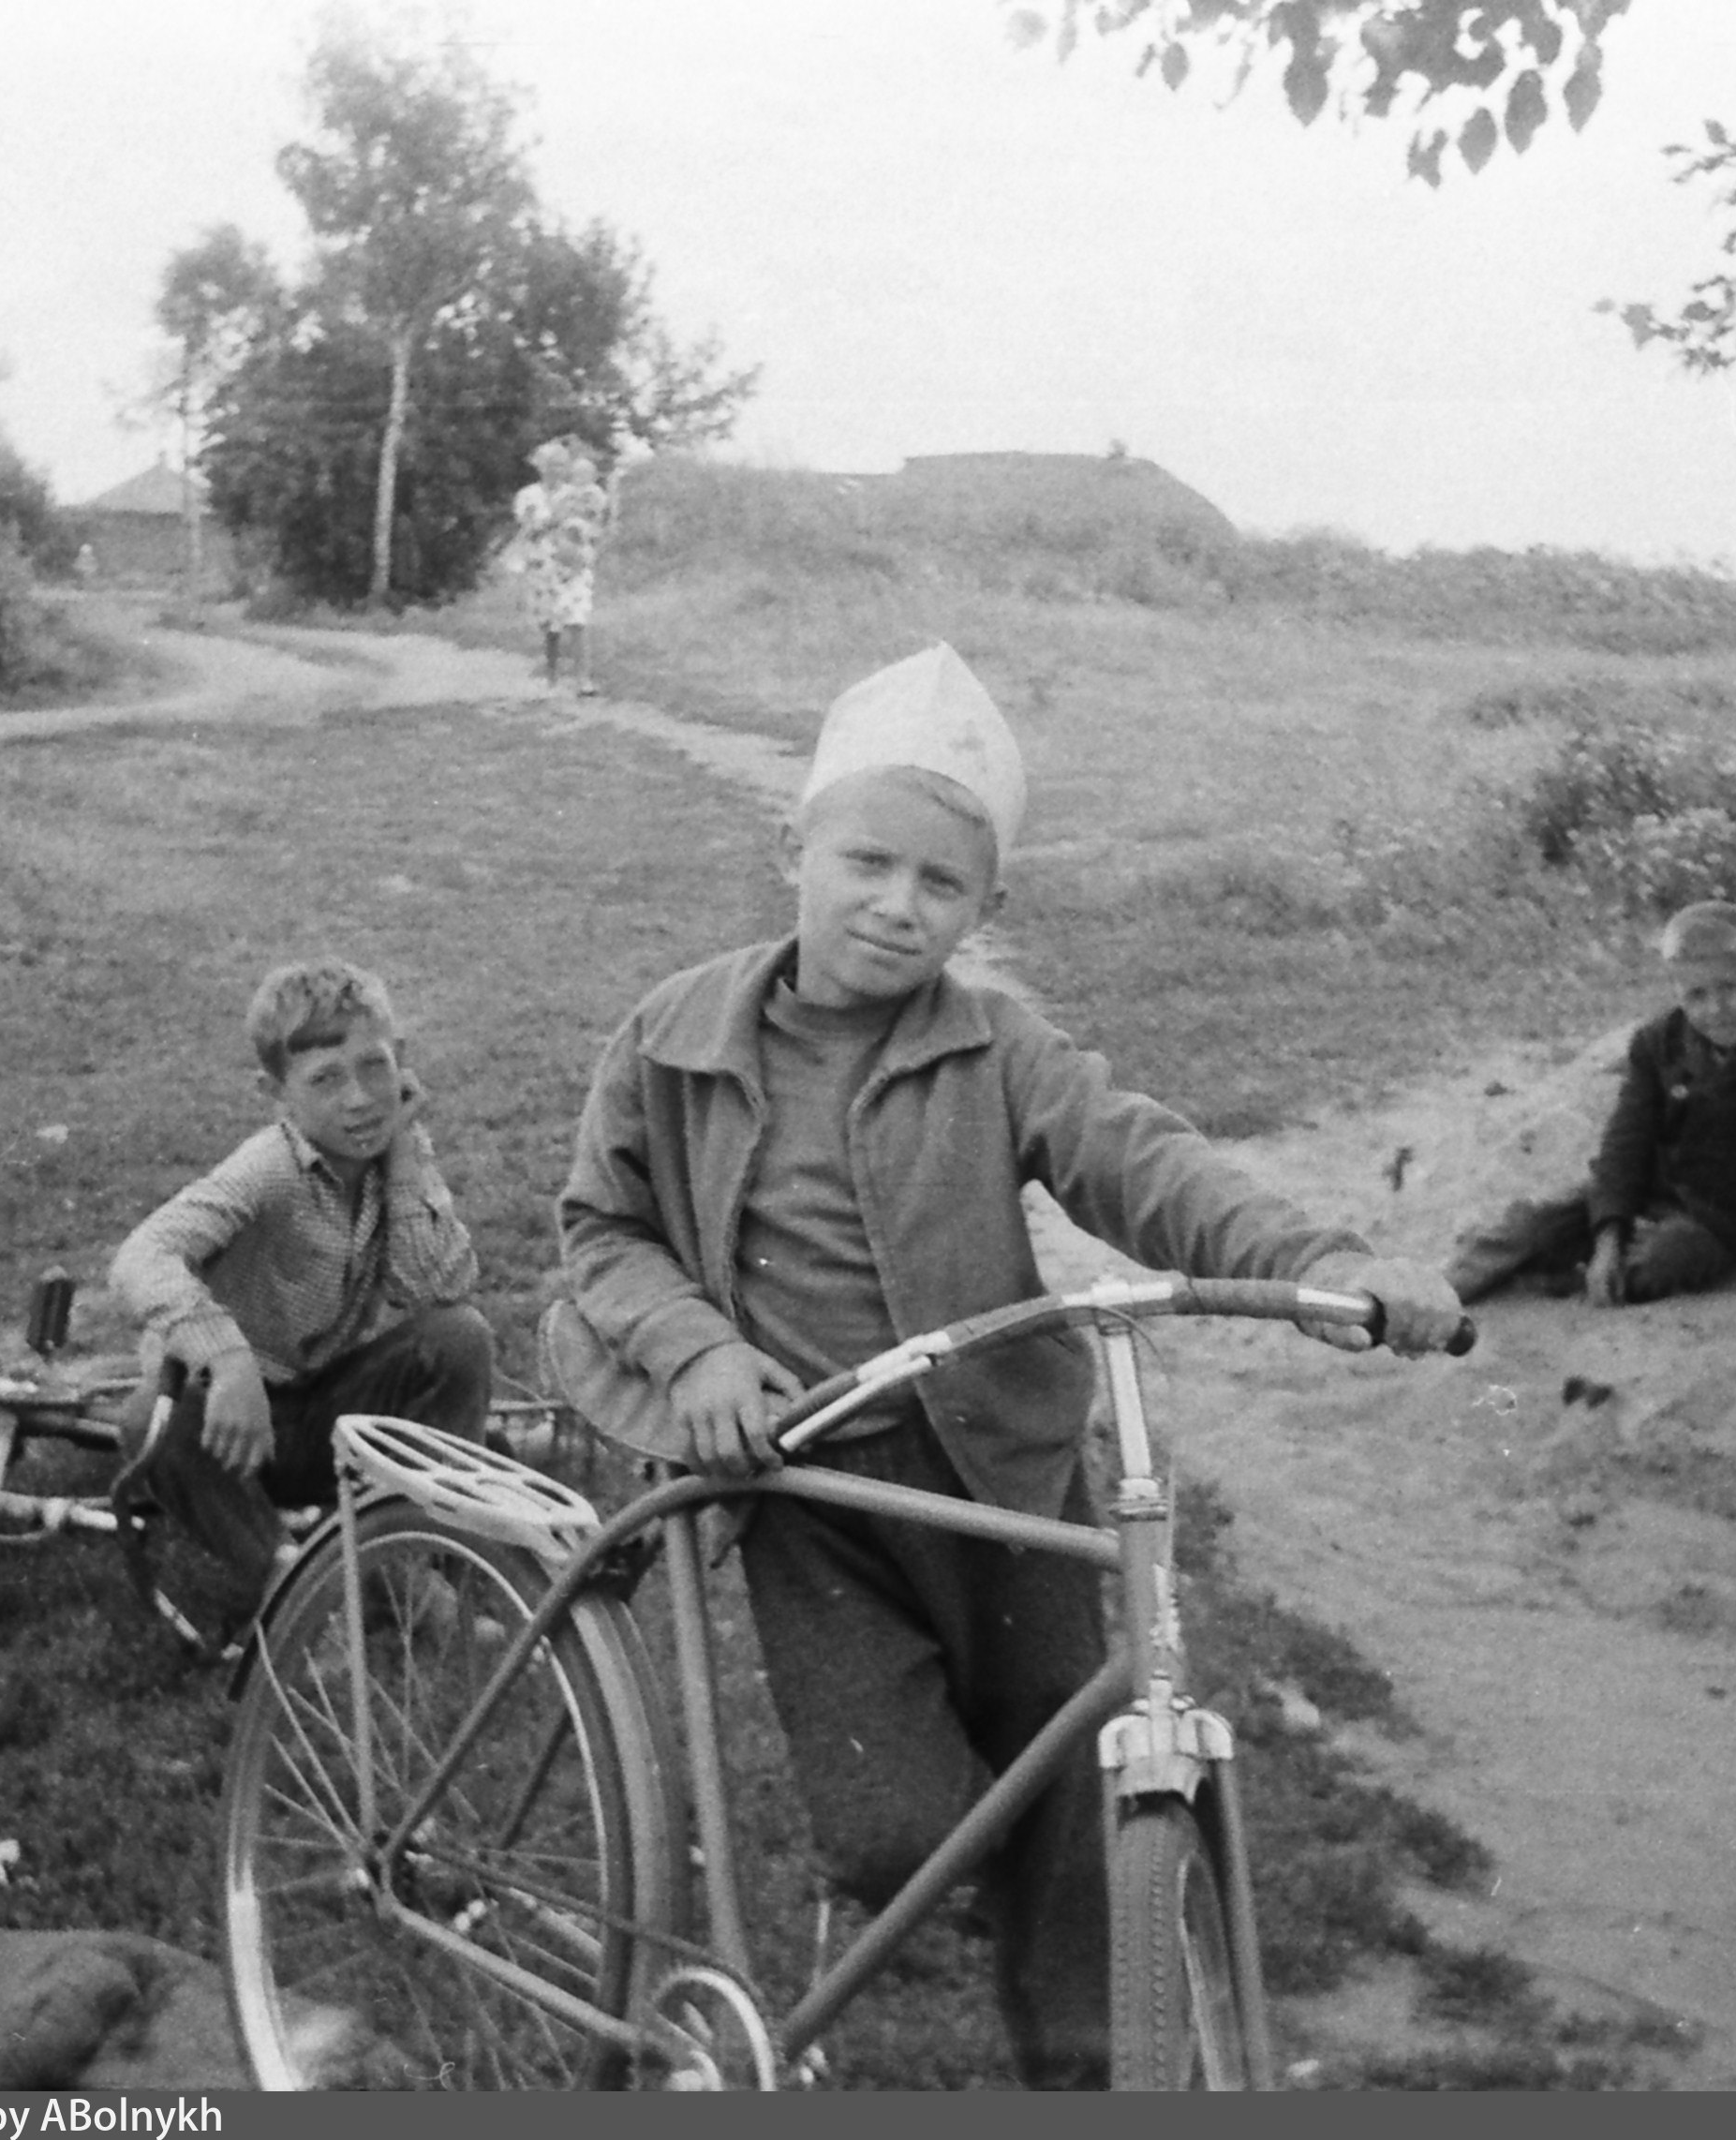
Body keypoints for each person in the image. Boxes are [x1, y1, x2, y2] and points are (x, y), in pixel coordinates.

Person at [546, 642, 1469, 2088]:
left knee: (1074, 1810)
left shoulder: (997, 1049)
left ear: (988, 907)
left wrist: (1322, 1264)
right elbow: (602, 1231)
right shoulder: (673, 1039)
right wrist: (701, 1348)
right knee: (894, 1835)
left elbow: (1142, 1160)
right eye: (867, 862)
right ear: (794, 846)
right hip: (816, 1497)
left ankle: (1086, 2072)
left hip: (1012, 1484)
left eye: (942, 887)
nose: (897, 908)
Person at [108, 959, 494, 1620]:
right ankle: (295, 1588)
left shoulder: (394, 1151)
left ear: (400, 1059)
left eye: (375, 1067)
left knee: (461, 1340)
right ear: (276, 1090)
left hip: (321, 1407)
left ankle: (401, 1564)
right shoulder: (268, 1169)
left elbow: (442, 1283)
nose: (360, 1099)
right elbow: (141, 1255)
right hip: (235, 1429)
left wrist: (402, 1160)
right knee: (151, 1419)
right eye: (325, 1080)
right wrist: (227, 1359)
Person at [1448, 899, 1736, 1308]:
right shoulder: (1656, 1044)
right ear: (1678, 993)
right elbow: (1624, 1144)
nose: (1718, 1009)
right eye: (1697, 996)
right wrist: (1610, 1236)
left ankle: (1574, 1277)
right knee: (1531, 1226)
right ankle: (1434, 1292)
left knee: (1662, 1263)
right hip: (1648, 1192)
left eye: (1732, 989)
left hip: (1726, 1220)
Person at [512, 437, 613, 697]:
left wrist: (588, 531)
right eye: (551, 464)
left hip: (574, 565)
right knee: (550, 624)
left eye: (561, 464)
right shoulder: (528, 495)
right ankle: (552, 674)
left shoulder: (579, 491)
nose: (557, 469)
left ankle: (583, 680)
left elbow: (595, 523)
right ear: (540, 466)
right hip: (543, 565)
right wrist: (552, 520)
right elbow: (528, 530)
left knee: (578, 619)